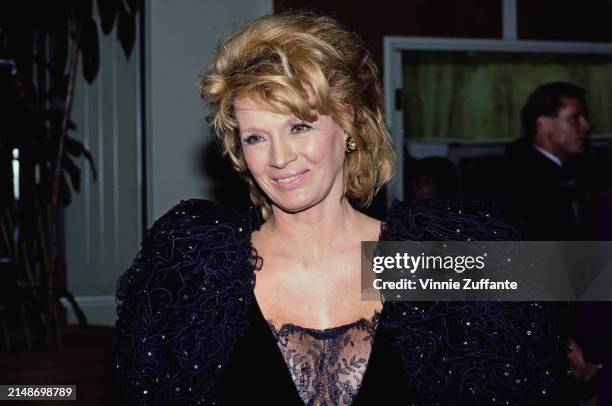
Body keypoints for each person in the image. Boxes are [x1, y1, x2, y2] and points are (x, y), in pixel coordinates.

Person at [114, 13, 574, 405]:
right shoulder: (197, 271)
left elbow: (578, 282)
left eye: (299, 126)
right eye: (256, 137)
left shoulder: (427, 259)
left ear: (350, 122)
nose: (278, 157)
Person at [500, 82, 591, 241]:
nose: (586, 126)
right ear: (543, 124)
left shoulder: (560, 175)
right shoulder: (527, 185)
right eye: (574, 119)